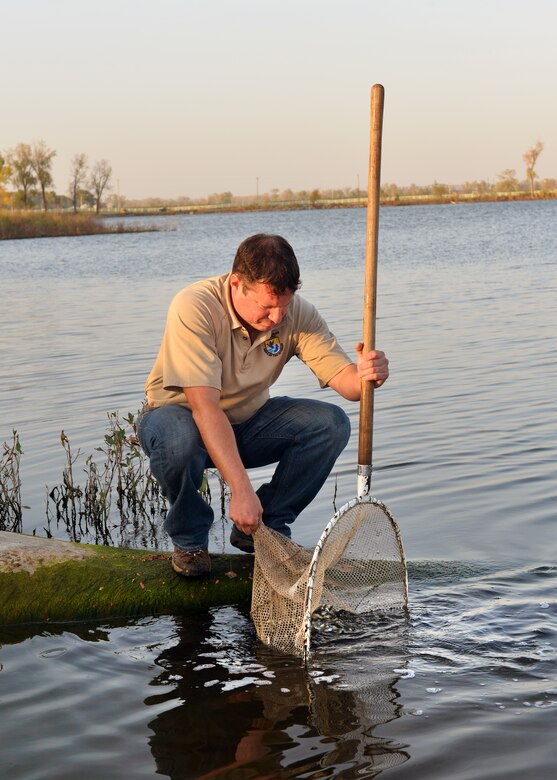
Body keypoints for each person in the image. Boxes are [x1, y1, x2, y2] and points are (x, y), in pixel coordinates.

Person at [138, 234, 389, 577]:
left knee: (331, 424)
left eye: (284, 305)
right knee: (180, 437)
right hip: (179, 421)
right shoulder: (195, 306)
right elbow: (205, 409)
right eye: (267, 306)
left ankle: (262, 529)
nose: (277, 317)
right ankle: (190, 542)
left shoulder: (296, 313)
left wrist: (366, 375)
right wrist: (241, 491)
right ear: (236, 284)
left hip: (248, 422)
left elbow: (347, 384)